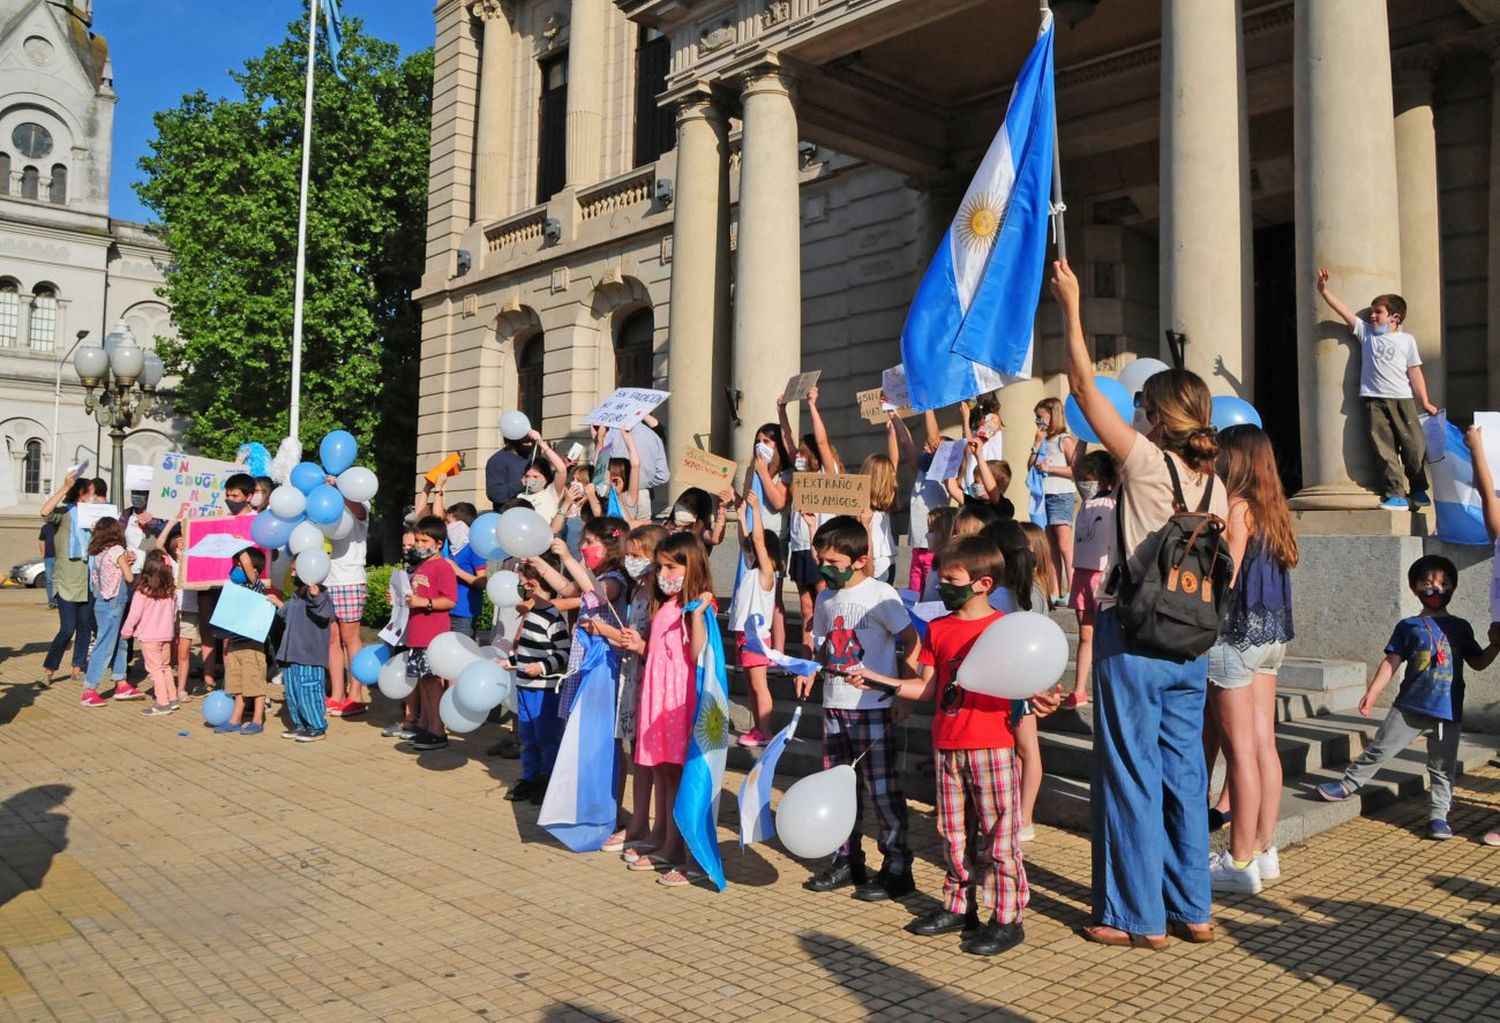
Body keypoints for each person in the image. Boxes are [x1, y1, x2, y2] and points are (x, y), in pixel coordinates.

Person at [1055, 258, 1227, 948]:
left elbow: (1079, 384)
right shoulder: (1217, 484)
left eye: (1141, 408)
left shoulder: (1147, 461)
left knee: (1128, 773)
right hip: (1191, 644)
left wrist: (1071, 304)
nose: (1133, 415)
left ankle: (1134, 916)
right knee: (1184, 775)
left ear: (1155, 415)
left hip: (1133, 638)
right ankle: (1194, 907)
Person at [849, 535, 1061, 956]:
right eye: (939, 577)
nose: (941, 586)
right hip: (947, 745)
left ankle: (1007, 916)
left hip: (992, 746)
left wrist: (1043, 695)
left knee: (1000, 836)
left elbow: (1029, 680)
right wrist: (880, 681)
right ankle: (958, 905)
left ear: (982, 583)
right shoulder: (940, 630)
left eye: (951, 579)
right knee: (951, 833)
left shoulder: (1003, 627)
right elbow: (928, 687)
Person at [1318, 556, 1500, 840]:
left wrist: (1495, 646)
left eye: (1442, 583)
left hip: (1447, 712)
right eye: (1427, 584)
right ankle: (1348, 785)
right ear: (1414, 588)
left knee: (1443, 768)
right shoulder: (1408, 626)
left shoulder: (1461, 627)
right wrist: (1374, 689)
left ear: (1453, 587)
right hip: (1409, 708)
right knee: (1380, 748)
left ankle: (1439, 816)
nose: (1435, 589)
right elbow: (1392, 661)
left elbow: (1478, 662)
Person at [795, 516, 921, 902]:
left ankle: (897, 867)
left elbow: (911, 640)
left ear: (861, 560)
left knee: (883, 792)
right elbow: (818, 644)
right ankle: (847, 860)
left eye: (834, 562)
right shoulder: (825, 598)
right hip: (835, 704)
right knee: (838, 789)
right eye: (821, 560)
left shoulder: (879, 594)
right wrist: (807, 670)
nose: (825, 568)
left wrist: (901, 693)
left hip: (873, 706)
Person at [1202, 426, 1298, 894]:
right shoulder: (1274, 508)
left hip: (1235, 635)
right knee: (1263, 745)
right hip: (1270, 635)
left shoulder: (1237, 508)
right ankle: (1262, 848)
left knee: (1240, 749)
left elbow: (1229, 575)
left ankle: (1238, 862)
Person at [619, 532, 715, 888]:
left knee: (679, 778)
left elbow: (697, 655)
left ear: (691, 567)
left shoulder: (696, 608)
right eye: (660, 567)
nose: (664, 574)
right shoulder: (664, 605)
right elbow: (659, 653)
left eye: (671, 567)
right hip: (657, 700)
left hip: (679, 704)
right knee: (661, 773)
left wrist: (699, 615)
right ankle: (664, 837)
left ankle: (681, 848)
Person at [1314, 268, 1438, 510]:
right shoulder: (1367, 334)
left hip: (1402, 399)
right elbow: (1345, 312)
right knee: (1384, 448)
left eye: (1378, 312)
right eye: (1372, 312)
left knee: (1414, 446)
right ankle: (1396, 492)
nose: (1373, 316)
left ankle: (1419, 487)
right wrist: (1323, 290)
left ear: (1395, 317)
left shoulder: (1406, 341)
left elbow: (1414, 371)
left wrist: (1425, 401)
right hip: (1374, 400)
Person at [596, 523, 668, 855]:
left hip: (652, 684)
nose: (632, 561)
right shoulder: (639, 590)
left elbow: (666, 650)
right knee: (637, 756)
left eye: (638, 556)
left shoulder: (661, 598)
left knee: (653, 762)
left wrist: (639, 645)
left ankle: (655, 827)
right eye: (628, 556)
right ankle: (638, 822)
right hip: (634, 678)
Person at [982, 519, 1047, 842]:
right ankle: (1023, 818)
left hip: (1004, 685)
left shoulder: (993, 597)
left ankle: (1019, 818)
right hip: (1025, 683)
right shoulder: (1033, 592)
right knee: (1027, 751)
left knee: (1018, 752)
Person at [781, 385, 842, 655]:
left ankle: (831, 655)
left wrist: (812, 406)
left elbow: (822, 442)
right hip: (800, 548)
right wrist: (781, 410)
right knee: (807, 607)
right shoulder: (798, 479)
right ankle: (808, 659)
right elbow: (787, 440)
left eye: (803, 453)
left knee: (824, 603)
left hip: (822, 547)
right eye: (798, 454)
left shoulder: (829, 474)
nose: (798, 457)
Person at [507, 554, 572, 803]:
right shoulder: (531, 615)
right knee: (527, 736)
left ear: (532, 586)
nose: (520, 587)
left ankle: (549, 779)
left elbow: (563, 652)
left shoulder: (553, 618)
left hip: (544, 689)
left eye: (521, 582)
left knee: (546, 736)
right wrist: (510, 663)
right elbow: (526, 651)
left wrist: (542, 668)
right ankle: (530, 777)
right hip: (524, 685)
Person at [727, 488, 782, 747]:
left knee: (759, 685)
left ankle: (766, 731)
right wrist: (740, 515)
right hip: (744, 635)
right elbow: (747, 542)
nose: (750, 551)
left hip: (757, 638)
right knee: (750, 685)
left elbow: (757, 541)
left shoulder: (766, 574)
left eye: (756, 549)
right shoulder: (751, 570)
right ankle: (758, 727)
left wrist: (757, 510)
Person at [1065, 450, 1118, 709]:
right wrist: (1082, 438)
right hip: (1081, 572)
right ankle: (1078, 690)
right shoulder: (1086, 501)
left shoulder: (1114, 500)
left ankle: (1105, 687)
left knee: (1105, 634)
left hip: (1102, 574)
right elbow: (1075, 467)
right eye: (1083, 478)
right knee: (1085, 634)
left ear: (1105, 478)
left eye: (1090, 478)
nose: (1085, 483)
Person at [403, 516, 459, 751]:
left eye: (424, 540)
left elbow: (450, 600)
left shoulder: (442, 567)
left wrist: (422, 602)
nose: (419, 545)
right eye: (417, 540)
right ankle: (426, 724)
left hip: (433, 635)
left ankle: (437, 729)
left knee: (433, 682)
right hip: (417, 633)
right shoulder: (421, 566)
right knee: (424, 681)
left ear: (438, 543)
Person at [38, 471, 98, 684]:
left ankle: (77, 667)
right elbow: (45, 513)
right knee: (67, 629)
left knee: (85, 627)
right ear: (81, 493)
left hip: (89, 581)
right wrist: (64, 487)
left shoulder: (94, 516)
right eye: (90, 492)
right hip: (67, 581)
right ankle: (49, 669)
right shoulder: (64, 514)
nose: (93, 496)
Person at [274, 554, 335, 743]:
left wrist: (315, 595)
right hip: (292, 655)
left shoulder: (321, 595)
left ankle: (316, 726)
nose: (292, 574)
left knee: (309, 691)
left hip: (310, 656)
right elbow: (287, 612)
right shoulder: (297, 595)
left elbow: (325, 613)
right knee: (293, 692)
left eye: (295, 570)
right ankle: (300, 724)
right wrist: (276, 603)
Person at [81, 516, 142, 705]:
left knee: (120, 641)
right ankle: (90, 688)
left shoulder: (99, 552)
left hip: (102, 601)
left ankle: (121, 681)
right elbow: (129, 577)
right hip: (115, 602)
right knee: (106, 645)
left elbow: (115, 571)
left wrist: (125, 561)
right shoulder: (117, 550)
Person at [324, 476, 371, 718]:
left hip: (349, 578)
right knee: (331, 638)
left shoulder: (359, 498)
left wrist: (341, 488)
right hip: (324, 576)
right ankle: (337, 693)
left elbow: (359, 510)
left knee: (350, 637)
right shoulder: (322, 498)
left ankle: (356, 695)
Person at [890, 408, 949, 598]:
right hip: (912, 543)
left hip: (932, 546)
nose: (925, 448)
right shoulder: (921, 472)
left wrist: (928, 406)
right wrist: (893, 414)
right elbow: (906, 443)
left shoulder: (944, 473)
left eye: (929, 447)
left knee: (930, 596)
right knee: (910, 596)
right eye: (924, 446)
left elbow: (934, 441)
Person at [214, 547, 272, 734]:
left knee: (255, 682)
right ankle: (235, 719)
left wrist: (238, 546)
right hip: (234, 644)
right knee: (237, 684)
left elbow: (247, 563)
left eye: (239, 566)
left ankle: (257, 719)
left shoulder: (256, 586)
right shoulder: (235, 588)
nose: (236, 569)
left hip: (252, 645)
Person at [1028, 398, 1076, 606]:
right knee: (1050, 547)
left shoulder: (1063, 440)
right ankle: (1055, 590)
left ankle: (1074, 589)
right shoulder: (1044, 440)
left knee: (1065, 545)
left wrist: (1051, 469)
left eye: (1041, 416)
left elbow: (1076, 470)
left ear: (1053, 414)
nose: (1039, 421)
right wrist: (1036, 444)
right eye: (1037, 417)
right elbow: (1029, 466)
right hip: (1043, 497)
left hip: (1061, 495)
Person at [121, 549, 178, 716]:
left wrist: (127, 630)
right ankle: (172, 698)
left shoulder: (142, 591)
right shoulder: (170, 591)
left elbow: (134, 614)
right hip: (166, 634)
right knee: (165, 666)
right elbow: (174, 613)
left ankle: (162, 702)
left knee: (155, 669)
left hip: (149, 636)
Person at [598, 416, 669, 518]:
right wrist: (643, 483)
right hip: (643, 494)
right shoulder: (654, 436)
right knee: (642, 532)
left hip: (618, 493)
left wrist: (600, 439)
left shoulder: (611, 434)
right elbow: (663, 476)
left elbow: (599, 467)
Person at [861, 454, 899, 584]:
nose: (894, 476)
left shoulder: (884, 503)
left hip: (882, 565)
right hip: (872, 565)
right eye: (891, 474)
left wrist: (893, 433)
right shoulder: (865, 510)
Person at [519, 430, 571, 522]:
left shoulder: (551, 492)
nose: (530, 479)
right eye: (527, 476)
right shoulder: (520, 496)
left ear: (546, 478)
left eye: (536, 477)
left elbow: (561, 470)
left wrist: (541, 443)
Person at [485, 430, 537, 510]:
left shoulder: (533, 457)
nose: (530, 443)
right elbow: (495, 495)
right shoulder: (497, 460)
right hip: (510, 515)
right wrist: (521, 483)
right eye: (526, 440)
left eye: (531, 440)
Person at [38, 520, 56, 609]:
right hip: (48, 558)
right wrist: (43, 555)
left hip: (61, 558)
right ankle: (51, 602)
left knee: (60, 581)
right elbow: (41, 541)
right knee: (49, 581)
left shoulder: (61, 526)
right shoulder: (45, 527)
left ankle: (61, 602)